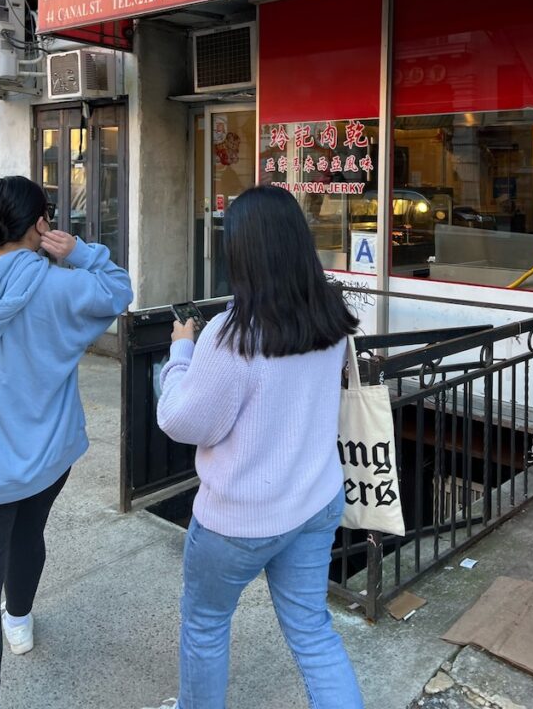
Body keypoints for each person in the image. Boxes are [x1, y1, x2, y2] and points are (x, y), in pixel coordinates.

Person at [0, 175, 133, 709]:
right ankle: (18, 620)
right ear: (40, 223)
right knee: (27, 533)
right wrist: (81, 251)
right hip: (45, 449)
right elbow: (119, 289)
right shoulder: (61, 285)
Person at [157, 184, 364, 709]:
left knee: (204, 626)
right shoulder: (328, 318)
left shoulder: (230, 336)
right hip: (314, 503)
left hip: (239, 520)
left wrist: (181, 351)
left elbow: (182, 421)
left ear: (242, 252)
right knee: (313, 633)